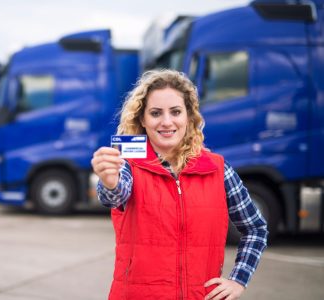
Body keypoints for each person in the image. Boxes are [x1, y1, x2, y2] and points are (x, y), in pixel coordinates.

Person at [91, 70, 268, 300]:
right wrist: (109, 181)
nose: (166, 122)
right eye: (155, 113)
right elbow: (114, 196)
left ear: (189, 117)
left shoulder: (218, 169)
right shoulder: (128, 165)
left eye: (175, 112)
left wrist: (238, 279)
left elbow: (256, 228)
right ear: (143, 119)